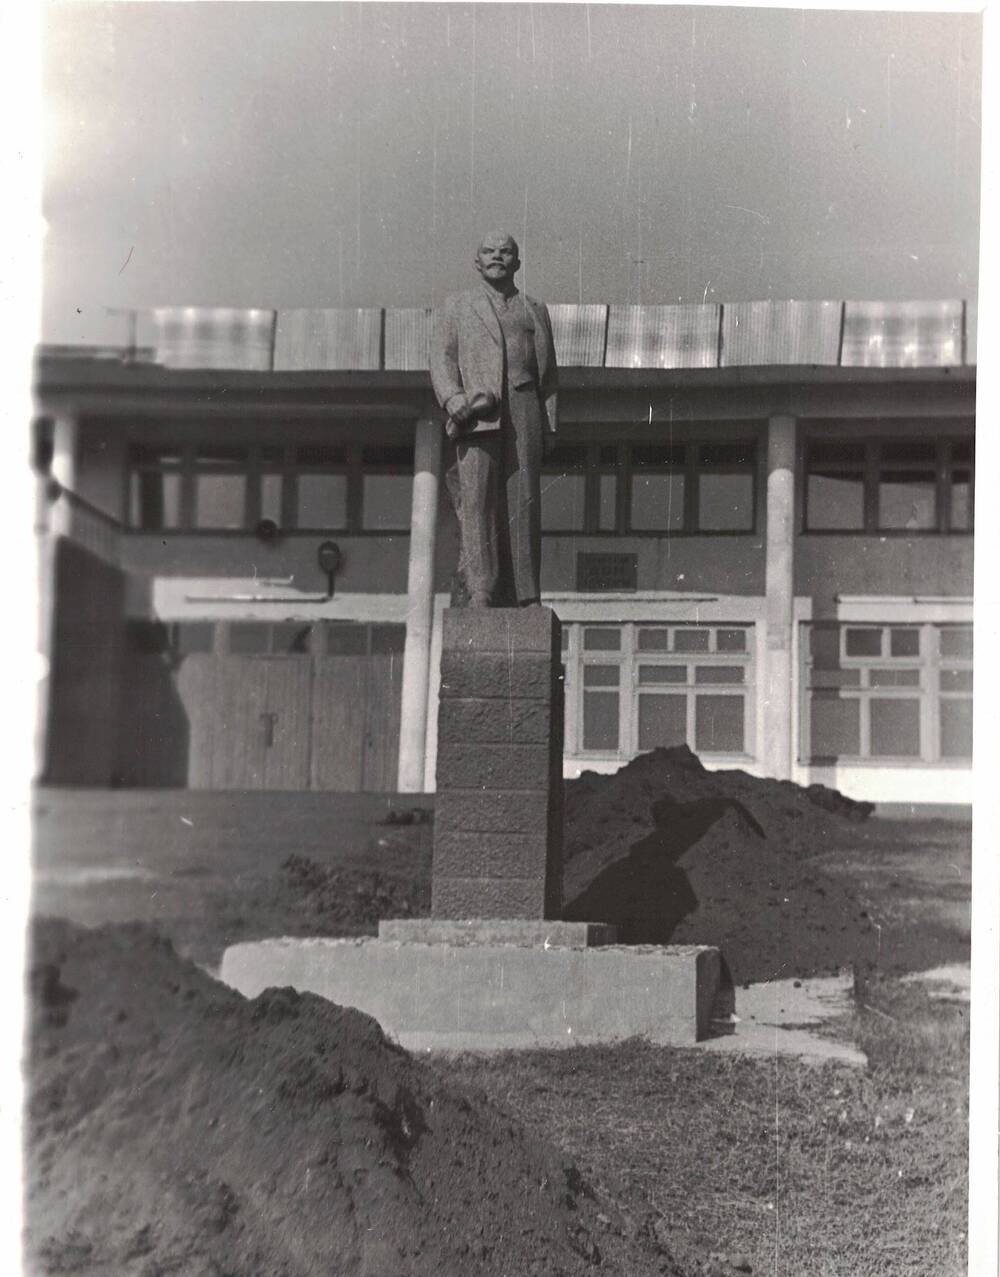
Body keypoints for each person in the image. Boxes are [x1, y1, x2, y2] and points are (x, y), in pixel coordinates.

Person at [429, 232, 558, 607]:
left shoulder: (535, 309)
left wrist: (550, 425)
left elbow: (549, 376)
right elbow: (442, 358)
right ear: (477, 261)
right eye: (489, 251)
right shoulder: (457, 306)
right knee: (477, 499)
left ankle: (527, 593)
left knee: (524, 500)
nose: (497, 257)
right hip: (477, 413)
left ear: (517, 262)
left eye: (506, 252)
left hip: (524, 410)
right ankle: (480, 587)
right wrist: (453, 398)